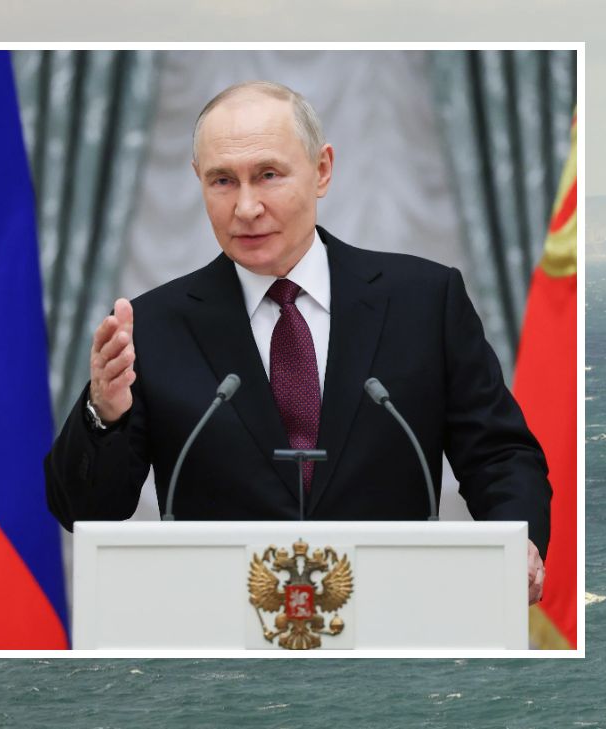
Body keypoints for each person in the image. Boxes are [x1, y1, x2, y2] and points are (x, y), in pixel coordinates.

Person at [44, 80, 551, 604]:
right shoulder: (151, 326)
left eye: (268, 175)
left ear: (322, 169)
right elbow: (87, 513)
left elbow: (498, 454)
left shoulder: (424, 300)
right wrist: (104, 415)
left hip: (401, 618)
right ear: (198, 181)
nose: (246, 206)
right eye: (222, 181)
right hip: (221, 632)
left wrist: (518, 540)